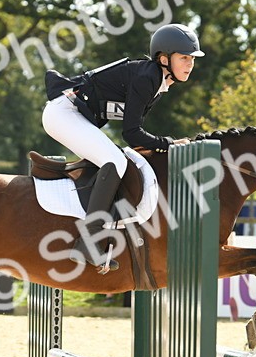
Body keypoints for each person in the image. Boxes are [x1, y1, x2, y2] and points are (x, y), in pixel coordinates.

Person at [41, 23, 202, 271]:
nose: (190, 64)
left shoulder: (158, 82)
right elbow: (132, 133)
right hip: (64, 113)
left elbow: (131, 131)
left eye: (191, 58)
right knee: (115, 161)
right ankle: (89, 241)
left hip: (72, 115)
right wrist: (168, 143)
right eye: (184, 57)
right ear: (163, 58)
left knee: (116, 158)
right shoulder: (147, 77)